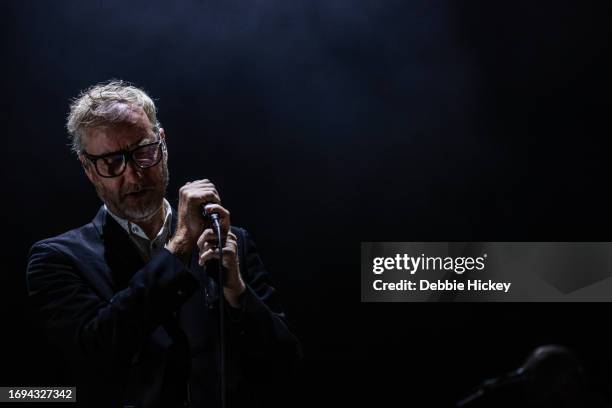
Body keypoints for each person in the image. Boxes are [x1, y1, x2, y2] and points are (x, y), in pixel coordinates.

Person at [26, 80, 301, 408]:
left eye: (144, 152)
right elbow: (97, 355)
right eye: (112, 162)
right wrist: (181, 243)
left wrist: (238, 294)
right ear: (89, 169)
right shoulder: (57, 259)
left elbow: (286, 363)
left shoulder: (231, 241)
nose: (133, 175)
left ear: (163, 144)